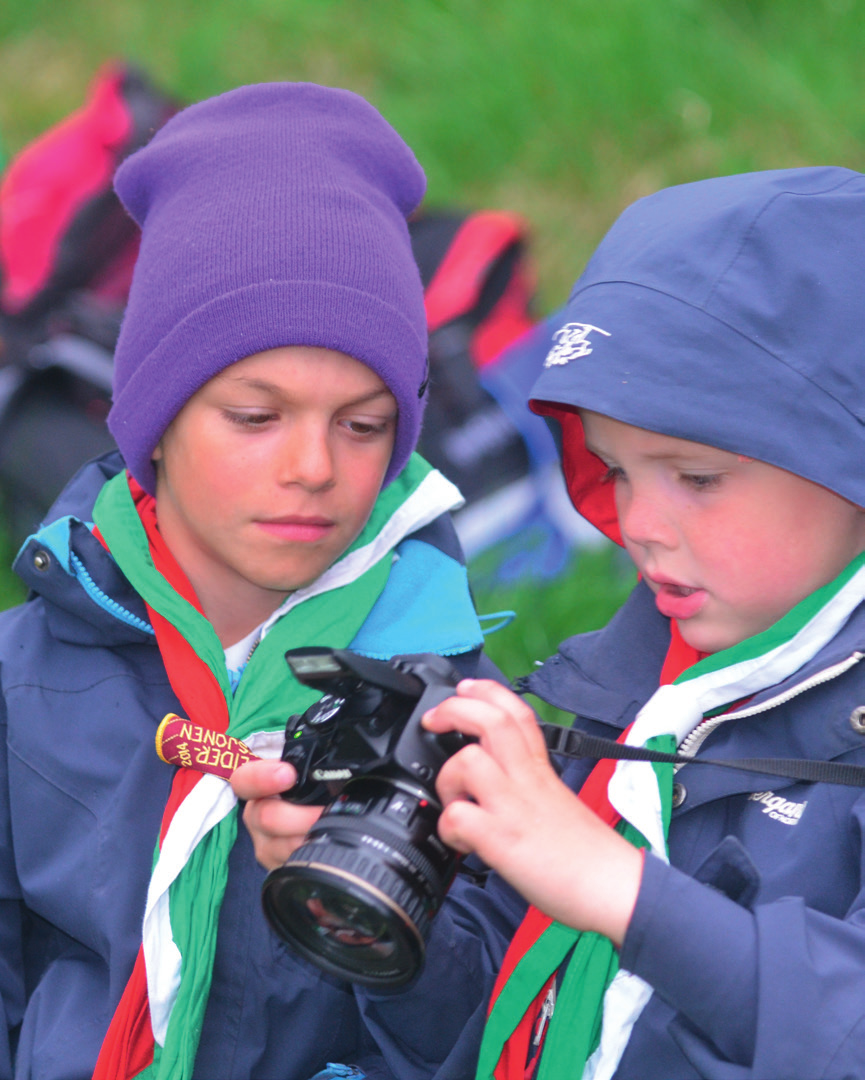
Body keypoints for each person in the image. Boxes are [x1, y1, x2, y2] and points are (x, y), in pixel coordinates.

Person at [0, 82, 509, 1080]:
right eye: (254, 416)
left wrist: (381, 933)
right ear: (152, 416)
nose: (313, 467)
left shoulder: (454, 720)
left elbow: (481, 1034)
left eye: (362, 425)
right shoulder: (23, 680)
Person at [415, 166, 865, 1079]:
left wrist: (620, 893)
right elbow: (455, 1028)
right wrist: (382, 903)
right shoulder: (604, 693)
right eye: (615, 470)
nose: (639, 526)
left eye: (695, 477)